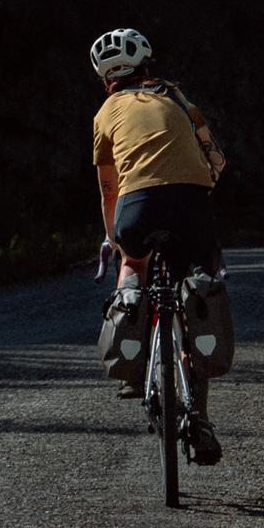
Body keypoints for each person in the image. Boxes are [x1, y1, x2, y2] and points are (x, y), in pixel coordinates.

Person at [89, 26, 227, 466]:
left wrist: (113, 238)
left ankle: (130, 354)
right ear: (148, 63)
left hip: (137, 205)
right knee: (197, 286)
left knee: (132, 259)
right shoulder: (181, 101)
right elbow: (217, 158)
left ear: (104, 78)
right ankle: (199, 417)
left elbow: (108, 187)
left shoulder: (106, 111)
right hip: (190, 202)